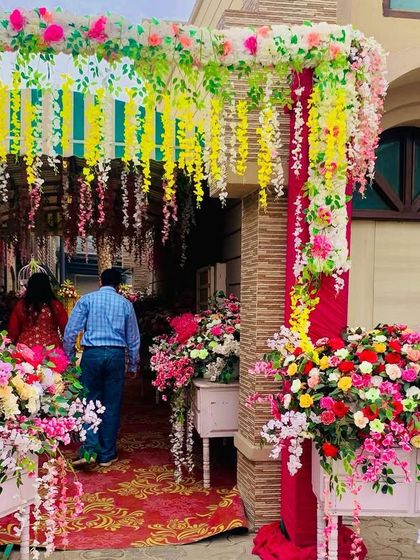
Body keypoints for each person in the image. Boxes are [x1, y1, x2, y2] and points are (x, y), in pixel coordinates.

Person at [63, 268, 140, 468]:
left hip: (92, 354)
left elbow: (71, 331)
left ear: (101, 281)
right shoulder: (125, 304)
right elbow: (133, 338)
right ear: (118, 285)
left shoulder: (86, 300)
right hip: (116, 355)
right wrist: (133, 363)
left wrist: (70, 358)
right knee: (112, 404)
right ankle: (107, 454)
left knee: (89, 402)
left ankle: (89, 451)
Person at [8, 272, 68, 347]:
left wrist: (9, 345)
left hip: (26, 350)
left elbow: (13, 330)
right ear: (47, 286)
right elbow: (65, 329)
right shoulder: (55, 305)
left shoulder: (21, 305)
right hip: (51, 349)